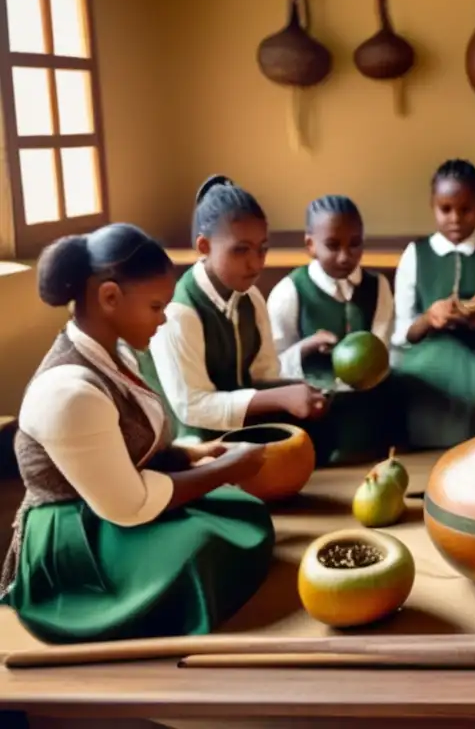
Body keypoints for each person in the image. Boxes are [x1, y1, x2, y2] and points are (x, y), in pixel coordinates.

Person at [0, 224, 275, 644]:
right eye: (155, 306)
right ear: (109, 298)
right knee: (201, 552)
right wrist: (226, 468)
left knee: (239, 512)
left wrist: (192, 453)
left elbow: (129, 450)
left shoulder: (117, 352)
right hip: (77, 532)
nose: (163, 319)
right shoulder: (69, 393)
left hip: (116, 500)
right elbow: (131, 506)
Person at [144, 175, 327, 445]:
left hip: (238, 425)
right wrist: (280, 397)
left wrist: (299, 392)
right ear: (203, 246)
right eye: (240, 250)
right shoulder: (179, 311)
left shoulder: (251, 297)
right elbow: (191, 407)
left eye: (262, 249)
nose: (255, 263)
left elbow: (263, 375)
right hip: (190, 437)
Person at [391, 159, 475, 449]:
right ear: (432, 205)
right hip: (429, 350)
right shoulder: (415, 254)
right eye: (445, 209)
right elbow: (404, 332)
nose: (456, 219)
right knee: (414, 381)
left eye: (466, 209)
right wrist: (428, 317)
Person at [266, 195, 396, 464]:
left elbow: (381, 350)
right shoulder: (290, 291)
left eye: (355, 244)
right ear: (310, 245)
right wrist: (305, 347)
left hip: (365, 403)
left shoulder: (378, 286)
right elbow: (271, 366)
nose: (345, 256)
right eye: (333, 245)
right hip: (312, 407)